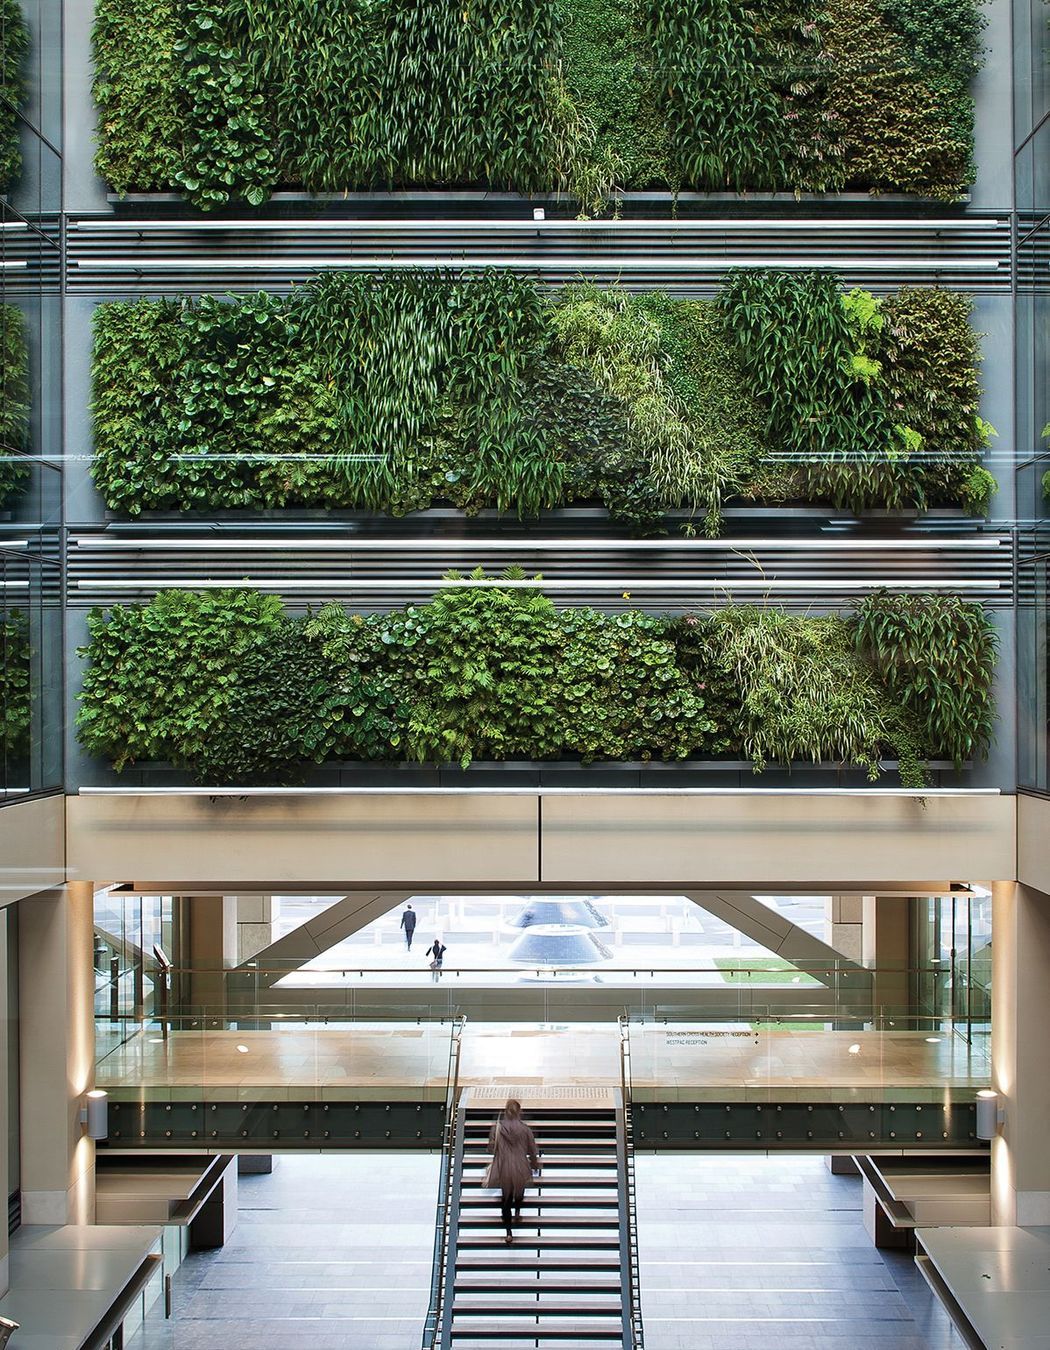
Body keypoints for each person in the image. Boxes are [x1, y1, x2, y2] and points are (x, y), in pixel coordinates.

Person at [485, 1099, 540, 1244]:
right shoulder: (525, 1129)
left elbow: (491, 1148)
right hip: (520, 1167)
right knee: (519, 1193)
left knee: (506, 1199)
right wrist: (535, 1164)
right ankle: (518, 1211)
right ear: (519, 1113)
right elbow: (532, 1150)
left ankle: (509, 1232)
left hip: (504, 1168)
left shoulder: (498, 1128)